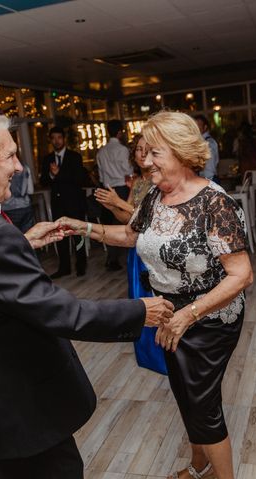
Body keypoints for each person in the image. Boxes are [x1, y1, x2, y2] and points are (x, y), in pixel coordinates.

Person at [0, 109, 174, 479]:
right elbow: (61, 312)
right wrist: (138, 312)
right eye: (10, 156)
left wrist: (20, 244)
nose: (18, 167)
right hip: (17, 412)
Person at [62, 111, 253, 479]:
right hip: (169, 313)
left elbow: (242, 275)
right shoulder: (155, 196)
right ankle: (200, 468)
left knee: (203, 402)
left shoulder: (215, 204)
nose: (144, 162)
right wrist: (81, 227)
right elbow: (131, 236)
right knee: (184, 393)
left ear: (181, 152)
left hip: (209, 317)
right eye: (144, 153)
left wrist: (189, 315)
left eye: (154, 153)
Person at [95, 134, 166, 375]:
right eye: (138, 149)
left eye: (148, 149)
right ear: (133, 155)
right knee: (141, 303)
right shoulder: (136, 182)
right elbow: (129, 222)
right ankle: (148, 355)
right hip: (136, 251)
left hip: (155, 251)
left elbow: (153, 217)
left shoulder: (161, 180)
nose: (142, 153)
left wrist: (120, 202)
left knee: (161, 303)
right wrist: (113, 206)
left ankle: (166, 356)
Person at [40, 126, 88, 277]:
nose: (56, 141)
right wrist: (52, 176)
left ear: (64, 139)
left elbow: (79, 179)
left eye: (59, 138)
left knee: (77, 235)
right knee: (60, 237)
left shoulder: (75, 157)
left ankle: (81, 266)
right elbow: (43, 181)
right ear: (51, 140)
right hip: (58, 204)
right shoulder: (47, 159)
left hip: (74, 204)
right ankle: (64, 268)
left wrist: (59, 174)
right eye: (53, 138)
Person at [96, 119, 133, 271]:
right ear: (119, 132)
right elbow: (128, 171)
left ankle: (112, 258)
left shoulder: (101, 151)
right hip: (121, 189)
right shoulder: (122, 150)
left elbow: (100, 175)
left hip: (107, 189)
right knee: (123, 224)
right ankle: (115, 260)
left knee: (110, 226)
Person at [2, 162, 35, 233]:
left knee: (15, 239)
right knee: (30, 236)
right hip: (25, 206)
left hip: (9, 208)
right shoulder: (25, 167)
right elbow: (30, 191)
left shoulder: (1, 167)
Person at [194, 114, 220, 182]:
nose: (196, 128)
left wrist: (206, 183)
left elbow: (210, 169)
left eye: (198, 125)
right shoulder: (201, 142)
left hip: (209, 180)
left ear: (205, 127)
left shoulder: (208, 143)